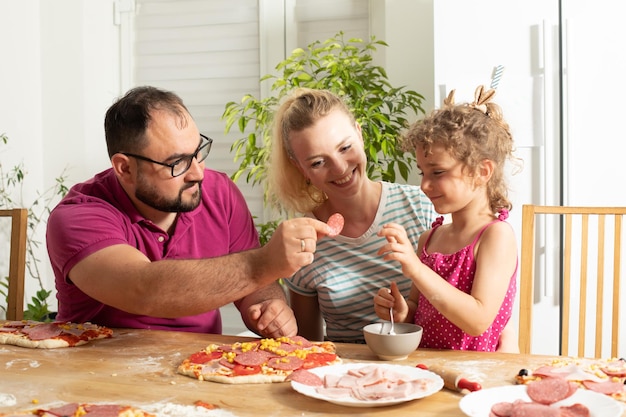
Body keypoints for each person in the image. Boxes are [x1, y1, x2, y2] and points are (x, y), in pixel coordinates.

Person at [46, 86, 333, 338]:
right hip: (98, 380)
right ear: (125, 168)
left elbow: (256, 287)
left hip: (196, 370)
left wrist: (270, 307)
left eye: (198, 152)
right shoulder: (78, 216)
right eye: (177, 163)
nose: (197, 172)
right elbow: (142, 288)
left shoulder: (219, 192)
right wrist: (264, 263)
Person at [266, 88, 437, 343]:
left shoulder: (422, 206)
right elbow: (307, 344)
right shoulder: (304, 242)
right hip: (342, 377)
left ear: (359, 133)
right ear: (300, 168)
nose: (340, 167)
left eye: (345, 147)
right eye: (317, 162)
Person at [374, 85, 520, 352]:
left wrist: (416, 269)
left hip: (476, 376)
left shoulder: (496, 236)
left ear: (482, 171)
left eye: (437, 172)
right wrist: (403, 311)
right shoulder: (429, 239)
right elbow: (421, 311)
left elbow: (477, 320)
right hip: (428, 369)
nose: (424, 185)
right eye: (422, 173)